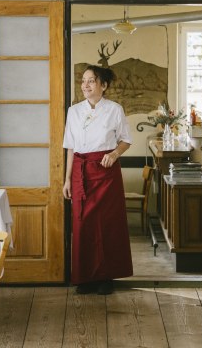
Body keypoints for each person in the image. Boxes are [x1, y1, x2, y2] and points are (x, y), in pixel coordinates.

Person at [63, 65, 133, 295]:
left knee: (107, 225)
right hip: (80, 172)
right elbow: (71, 148)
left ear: (103, 85)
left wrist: (114, 154)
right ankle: (84, 278)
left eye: (91, 81)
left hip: (106, 172)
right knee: (82, 225)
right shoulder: (73, 111)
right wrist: (66, 181)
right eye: (83, 81)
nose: (85, 85)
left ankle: (106, 277)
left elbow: (125, 140)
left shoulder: (115, 109)